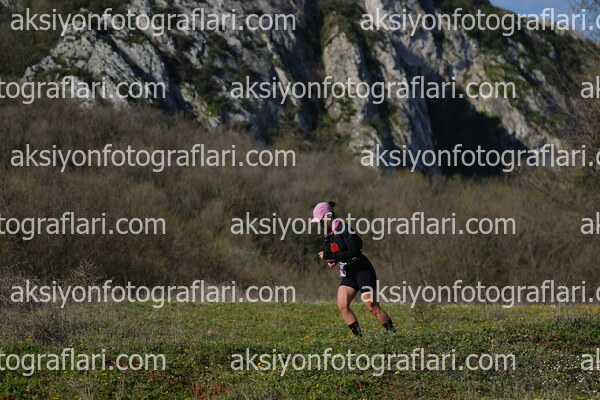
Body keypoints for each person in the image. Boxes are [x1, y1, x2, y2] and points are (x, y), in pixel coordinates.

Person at [312, 201, 395, 337]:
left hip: (362, 269)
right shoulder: (328, 233)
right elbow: (337, 252)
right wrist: (333, 261)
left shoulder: (343, 228)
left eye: (320, 220)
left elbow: (354, 250)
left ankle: (393, 335)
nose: (320, 224)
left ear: (329, 216)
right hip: (348, 271)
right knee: (343, 305)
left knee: (372, 306)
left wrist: (331, 256)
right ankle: (360, 339)